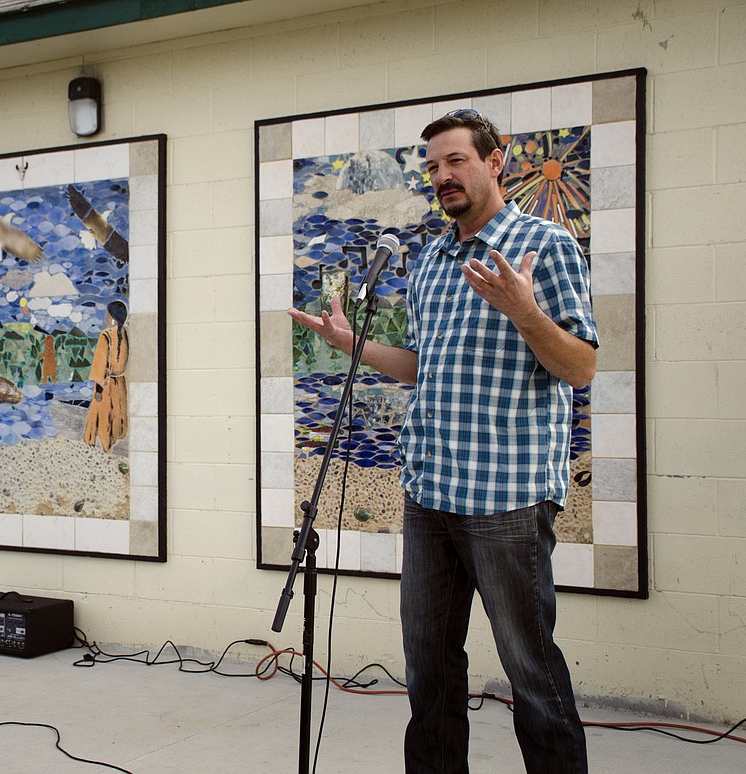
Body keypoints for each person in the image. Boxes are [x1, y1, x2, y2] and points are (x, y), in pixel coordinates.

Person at [289, 109, 597, 773]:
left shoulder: (544, 246)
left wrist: (524, 310)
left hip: (507, 498)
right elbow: (425, 367)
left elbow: (579, 367)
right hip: (430, 491)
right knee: (427, 666)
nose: (442, 175)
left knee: (530, 669)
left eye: (455, 160)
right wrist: (351, 344)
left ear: (495, 163)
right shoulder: (431, 261)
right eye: (432, 166)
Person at [84, 300, 129, 453]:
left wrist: (98, 388)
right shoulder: (124, 333)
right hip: (120, 381)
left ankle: (103, 445)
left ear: (112, 317)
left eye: (107, 314)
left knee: (103, 415)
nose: (105, 317)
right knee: (117, 412)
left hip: (106, 383)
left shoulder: (105, 335)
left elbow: (100, 364)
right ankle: (115, 439)